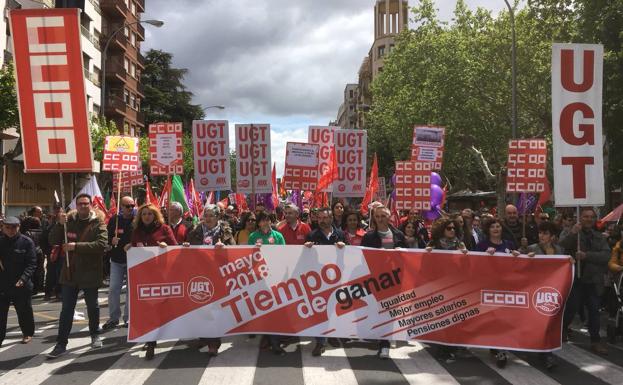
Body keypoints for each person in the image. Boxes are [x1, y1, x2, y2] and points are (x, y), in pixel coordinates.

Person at [47, 194, 108, 359]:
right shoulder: (68, 222)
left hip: (90, 271)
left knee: (92, 307)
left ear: (90, 205)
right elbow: (52, 239)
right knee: (66, 309)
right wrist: (59, 225)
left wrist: (76, 246)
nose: (83, 206)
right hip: (70, 272)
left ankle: (95, 334)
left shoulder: (98, 223)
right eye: (80, 204)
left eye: (86, 204)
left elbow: (101, 245)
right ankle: (61, 343)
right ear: (76, 205)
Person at [126, 203, 177, 360]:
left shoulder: (165, 229)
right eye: (144, 214)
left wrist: (165, 246)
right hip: (144, 276)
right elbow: (134, 247)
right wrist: (129, 247)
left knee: (162, 307)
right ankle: (151, 341)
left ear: (155, 215)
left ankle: (162, 333)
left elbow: (175, 247)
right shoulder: (137, 231)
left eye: (149, 214)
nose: (146, 216)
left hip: (162, 275)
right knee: (148, 306)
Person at [184, 204, 235, 356]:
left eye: (212, 215)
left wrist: (224, 246)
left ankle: (214, 341)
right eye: (206, 215)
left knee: (216, 308)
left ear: (218, 217)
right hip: (200, 274)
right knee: (201, 306)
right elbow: (189, 249)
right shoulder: (195, 232)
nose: (208, 218)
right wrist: (186, 246)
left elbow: (234, 249)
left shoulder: (225, 232)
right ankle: (204, 336)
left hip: (219, 274)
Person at [560, 207, 610, 355]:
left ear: (595, 219)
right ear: (580, 218)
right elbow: (561, 247)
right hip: (575, 278)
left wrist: (586, 256)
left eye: (591, 217)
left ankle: (595, 341)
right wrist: (573, 233)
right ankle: (562, 330)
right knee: (571, 308)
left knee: (594, 311)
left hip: (592, 280)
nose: (588, 219)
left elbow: (605, 255)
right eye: (586, 217)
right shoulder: (571, 232)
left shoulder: (599, 237)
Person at [361, 206, 407, 359]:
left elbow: (409, 257)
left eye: (383, 216)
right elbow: (363, 258)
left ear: (389, 217)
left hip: (394, 280)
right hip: (376, 280)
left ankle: (385, 342)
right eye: (377, 216)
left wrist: (402, 252)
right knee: (379, 310)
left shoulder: (399, 235)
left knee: (390, 311)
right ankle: (382, 339)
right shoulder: (368, 237)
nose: (380, 219)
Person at [302, 207, 348, 356]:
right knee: (320, 311)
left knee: (334, 309)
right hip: (318, 281)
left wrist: (344, 247)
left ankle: (332, 335)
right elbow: (305, 259)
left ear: (331, 219)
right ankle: (321, 342)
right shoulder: (311, 235)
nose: (321, 220)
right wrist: (307, 248)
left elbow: (348, 256)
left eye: (324, 218)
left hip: (336, 279)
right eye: (319, 218)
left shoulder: (340, 234)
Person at [475, 217, 519, 368]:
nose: (496, 229)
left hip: (506, 288)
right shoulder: (482, 245)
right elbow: (474, 265)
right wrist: (485, 256)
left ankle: (500, 349)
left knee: (503, 319)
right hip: (488, 288)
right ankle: (496, 347)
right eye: (492, 226)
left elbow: (516, 265)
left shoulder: (509, 244)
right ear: (488, 230)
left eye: (498, 226)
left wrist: (517, 256)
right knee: (492, 319)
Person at [527, 221, 566, 370]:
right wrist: (524, 256)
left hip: (553, 293)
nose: (541, 236)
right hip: (536, 292)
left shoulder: (560, 250)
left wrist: (570, 262)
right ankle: (545, 353)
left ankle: (546, 353)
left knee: (549, 323)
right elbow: (516, 261)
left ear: (552, 236)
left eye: (545, 233)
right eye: (540, 233)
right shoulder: (531, 249)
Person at [247, 211, 286, 355]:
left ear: (271, 221)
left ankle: (274, 341)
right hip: (259, 279)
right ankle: (267, 337)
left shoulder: (278, 236)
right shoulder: (253, 237)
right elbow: (248, 257)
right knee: (264, 310)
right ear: (258, 223)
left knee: (275, 310)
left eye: (267, 220)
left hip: (275, 278)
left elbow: (284, 255)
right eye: (262, 220)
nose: (265, 223)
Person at [0, 216, 37, 347]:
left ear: (19, 227)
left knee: (24, 311)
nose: (11, 230)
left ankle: (27, 333)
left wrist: (23, 279)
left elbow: (32, 264)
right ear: (3, 227)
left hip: (21, 284)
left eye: (14, 227)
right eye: (8, 227)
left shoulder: (27, 242)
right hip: (3, 284)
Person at [102, 196, 135, 331]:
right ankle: (114, 318)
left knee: (130, 291)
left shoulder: (137, 220)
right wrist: (111, 240)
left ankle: (128, 318)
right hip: (116, 260)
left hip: (132, 259)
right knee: (114, 289)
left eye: (132, 206)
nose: (131, 208)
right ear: (121, 207)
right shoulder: (114, 220)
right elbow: (106, 237)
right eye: (127, 206)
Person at [41, 204, 63, 301]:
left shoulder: (66, 226)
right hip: (52, 253)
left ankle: (58, 292)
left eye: (59, 210)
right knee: (51, 274)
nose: (58, 212)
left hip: (62, 254)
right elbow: (44, 239)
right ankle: (48, 292)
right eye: (56, 210)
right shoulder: (50, 226)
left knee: (60, 274)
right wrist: (47, 251)